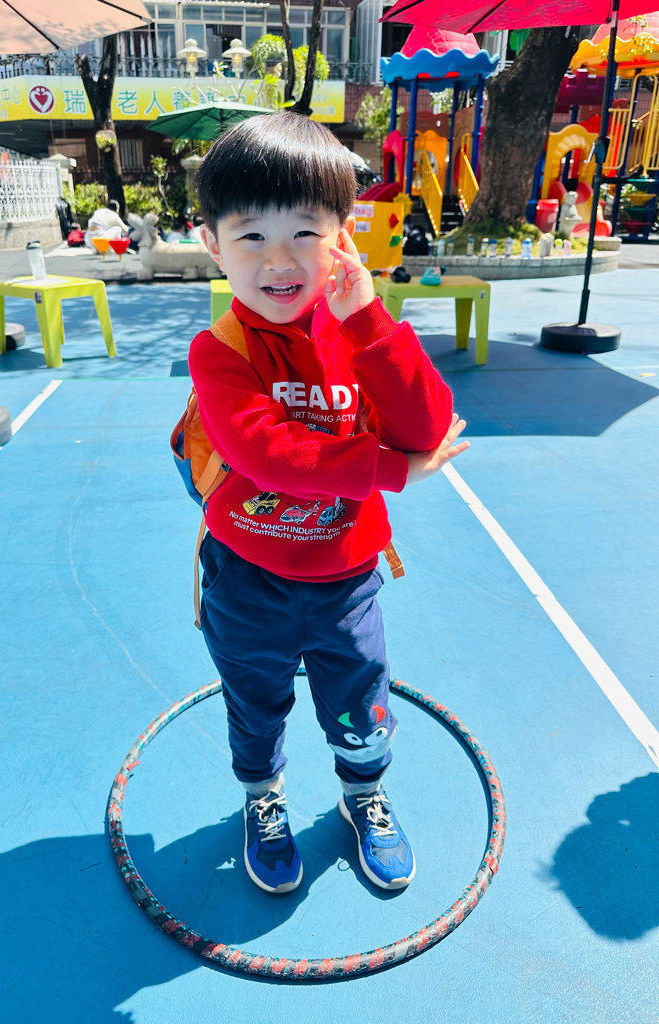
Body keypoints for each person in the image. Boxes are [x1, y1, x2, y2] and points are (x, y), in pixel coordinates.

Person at [188, 112, 468, 895]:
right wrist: (393, 471)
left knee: (360, 703)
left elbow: (429, 425)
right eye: (251, 236)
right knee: (256, 703)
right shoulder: (221, 352)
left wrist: (370, 321)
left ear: (343, 235)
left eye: (305, 233)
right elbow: (265, 454)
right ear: (213, 244)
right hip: (248, 578)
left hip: (346, 578)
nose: (279, 261)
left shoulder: (360, 331)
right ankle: (263, 796)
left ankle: (362, 793)